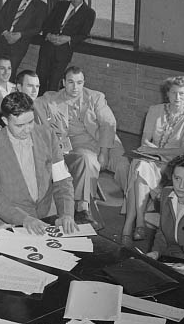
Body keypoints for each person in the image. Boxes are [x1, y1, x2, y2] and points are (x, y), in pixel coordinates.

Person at [33, 66, 129, 223]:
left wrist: (104, 152)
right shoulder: (52, 99)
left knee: (124, 166)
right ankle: (83, 208)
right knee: (87, 160)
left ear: (84, 82)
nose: (75, 87)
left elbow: (108, 123)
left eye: (79, 82)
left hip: (106, 141)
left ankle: (134, 209)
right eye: (70, 82)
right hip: (81, 146)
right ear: (63, 82)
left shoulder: (96, 97)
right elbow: (34, 101)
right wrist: (49, 106)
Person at [0, 92, 77, 235]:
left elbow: (62, 179)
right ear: (5, 121)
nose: (27, 129)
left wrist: (67, 213)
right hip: (9, 223)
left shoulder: (47, 135)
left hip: (47, 217)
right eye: (19, 125)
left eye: (30, 122)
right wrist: (24, 219)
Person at [121, 76, 184, 242]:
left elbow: (181, 151)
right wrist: (154, 152)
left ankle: (131, 222)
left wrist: (154, 151)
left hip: (172, 167)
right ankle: (140, 223)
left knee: (138, 167)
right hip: (149, 159)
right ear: (167, 94)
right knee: (140, 164)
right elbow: (144, 141)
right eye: (173, 93)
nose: (177, 97)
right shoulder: (154, 110)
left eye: (181, 93)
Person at [36, 0, 95, 93]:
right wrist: (48, 35)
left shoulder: (89, 13)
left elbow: (84, 34)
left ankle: (51, 109)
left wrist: (68, 39)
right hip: (47, 48)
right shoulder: (60, 5)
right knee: (40, 81)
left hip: (63, 52)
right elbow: (46, 24)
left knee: (54, 83)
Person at [0, 0, 49, 78]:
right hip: (1, 41)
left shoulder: (41, 6)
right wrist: (5, 32)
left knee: (9, 75)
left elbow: (38, 28)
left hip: (17, 46)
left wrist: (20, 35)